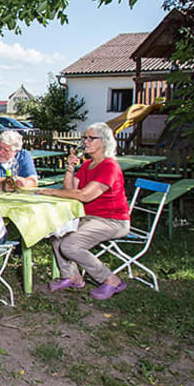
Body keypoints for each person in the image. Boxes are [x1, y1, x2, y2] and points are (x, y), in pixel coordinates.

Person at [36, 122, 130, 300]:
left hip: (112, 221)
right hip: (90, 217)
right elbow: (70, 189)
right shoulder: (88, 164)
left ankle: (111, 280)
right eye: (84, 138)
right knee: (57, 234)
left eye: (90, 138)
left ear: (103, 142)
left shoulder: (109, 166)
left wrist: (52, 191)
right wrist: (70, 168)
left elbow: (85, 195)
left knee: (69, 246)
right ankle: (72, 277)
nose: (85, 142)